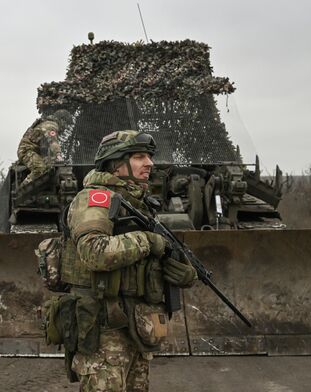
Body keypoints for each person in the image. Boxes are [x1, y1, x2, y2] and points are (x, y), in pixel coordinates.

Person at [65, 130, 197, 391]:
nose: (149, 163)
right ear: (116, 164)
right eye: (139, 157)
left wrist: (177, 269)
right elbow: (95, 252)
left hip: (134, 325)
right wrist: (147, 241)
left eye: (149, 157)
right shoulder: (96, 199)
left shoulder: (137, 202)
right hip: (104, 328)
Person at [17, 109, 72, 186]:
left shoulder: (49, 124)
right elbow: (53, 142)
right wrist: (58, 155)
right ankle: (22, 190)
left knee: (51, 167)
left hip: (36, 152)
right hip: (27, 150)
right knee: (39, 168)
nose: (66, 127)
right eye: (66, 123)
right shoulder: (51, 125)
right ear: (62, 120)